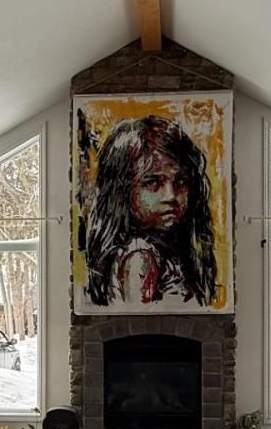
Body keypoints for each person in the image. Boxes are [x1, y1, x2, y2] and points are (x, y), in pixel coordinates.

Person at [82, 115, 218, 307]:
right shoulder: (141, 257)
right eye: (153, 182)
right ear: (123, 190)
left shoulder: (165, 250)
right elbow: (138, 318)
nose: (171, 195)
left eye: (180, 181)